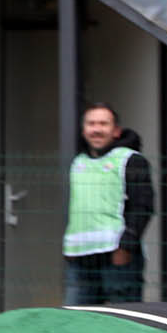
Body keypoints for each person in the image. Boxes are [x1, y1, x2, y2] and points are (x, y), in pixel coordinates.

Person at [62, 101, 153, 306]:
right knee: (75, 322)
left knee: (121, 322)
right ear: (84, 130)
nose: (97, 129)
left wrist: (125, 247)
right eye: (91, 124)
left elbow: (143, 206)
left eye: (103, 124)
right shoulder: (78, 162)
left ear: (116, 131)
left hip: (117, 257)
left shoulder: (130, 160)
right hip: (80, 258)